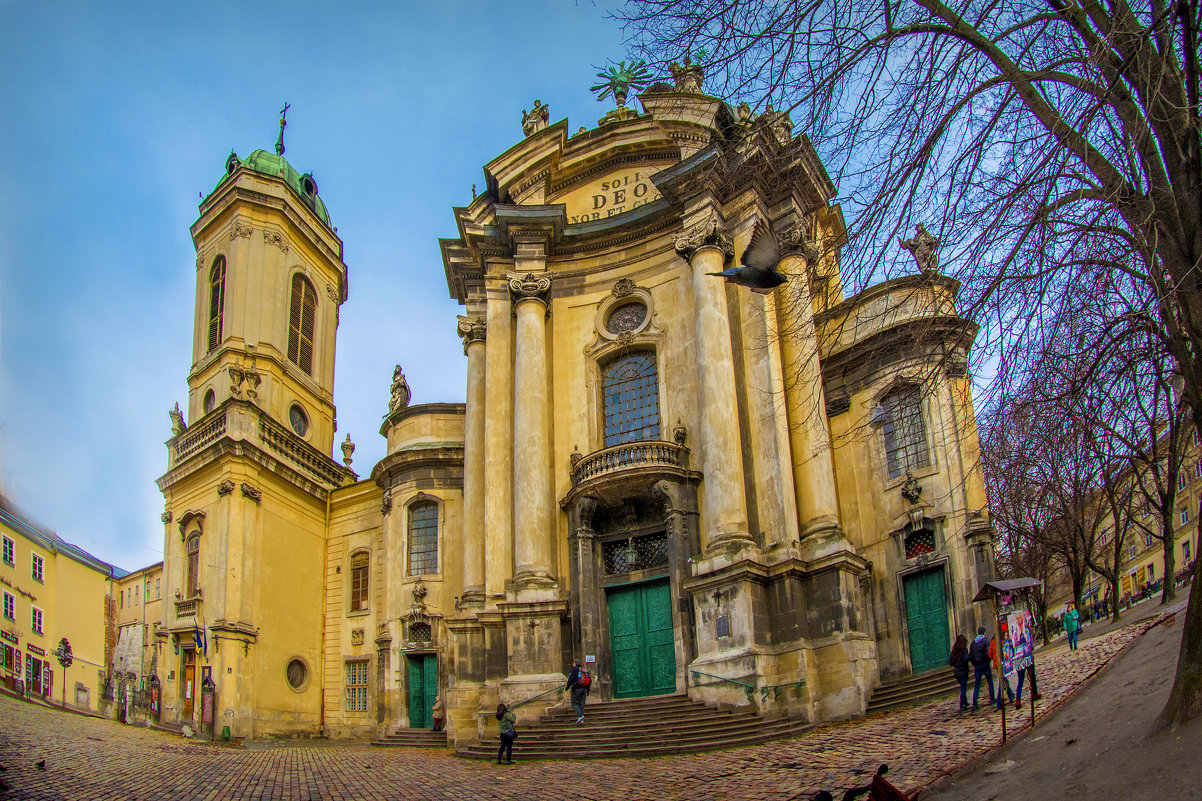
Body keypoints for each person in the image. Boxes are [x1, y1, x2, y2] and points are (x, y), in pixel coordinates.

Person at [968, 625, 995, 711]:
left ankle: (974, 703)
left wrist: (974, 664)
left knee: (977, 685)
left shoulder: (973, 643)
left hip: (977, 666)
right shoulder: (985, 640)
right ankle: (992, 699)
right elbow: (988, 653)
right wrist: (987, 662)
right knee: (990, 682)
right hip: (985, 664)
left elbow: (971, 655)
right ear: (984, 632)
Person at [948, 635, 970, 712]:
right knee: (963, 689)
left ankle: (965, 702)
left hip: (957, 673)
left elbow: (950, 662)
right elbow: (965, 659)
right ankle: (961, 705)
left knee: (963, 687)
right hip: (963, 671)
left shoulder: (954, 651)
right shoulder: (964, 650)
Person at [566, 659, 589, 724]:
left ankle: (580, 715)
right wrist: (588, 689)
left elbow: (571, 678)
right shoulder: (584, 669)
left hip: (577, 689)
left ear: (575, 663)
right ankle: (581, 720)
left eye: (573, 663)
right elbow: (589, 679)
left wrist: (567, 687)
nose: (573, 665)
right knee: (581, 704)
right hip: (584, 689)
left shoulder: (574, 669)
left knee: (574, 703)